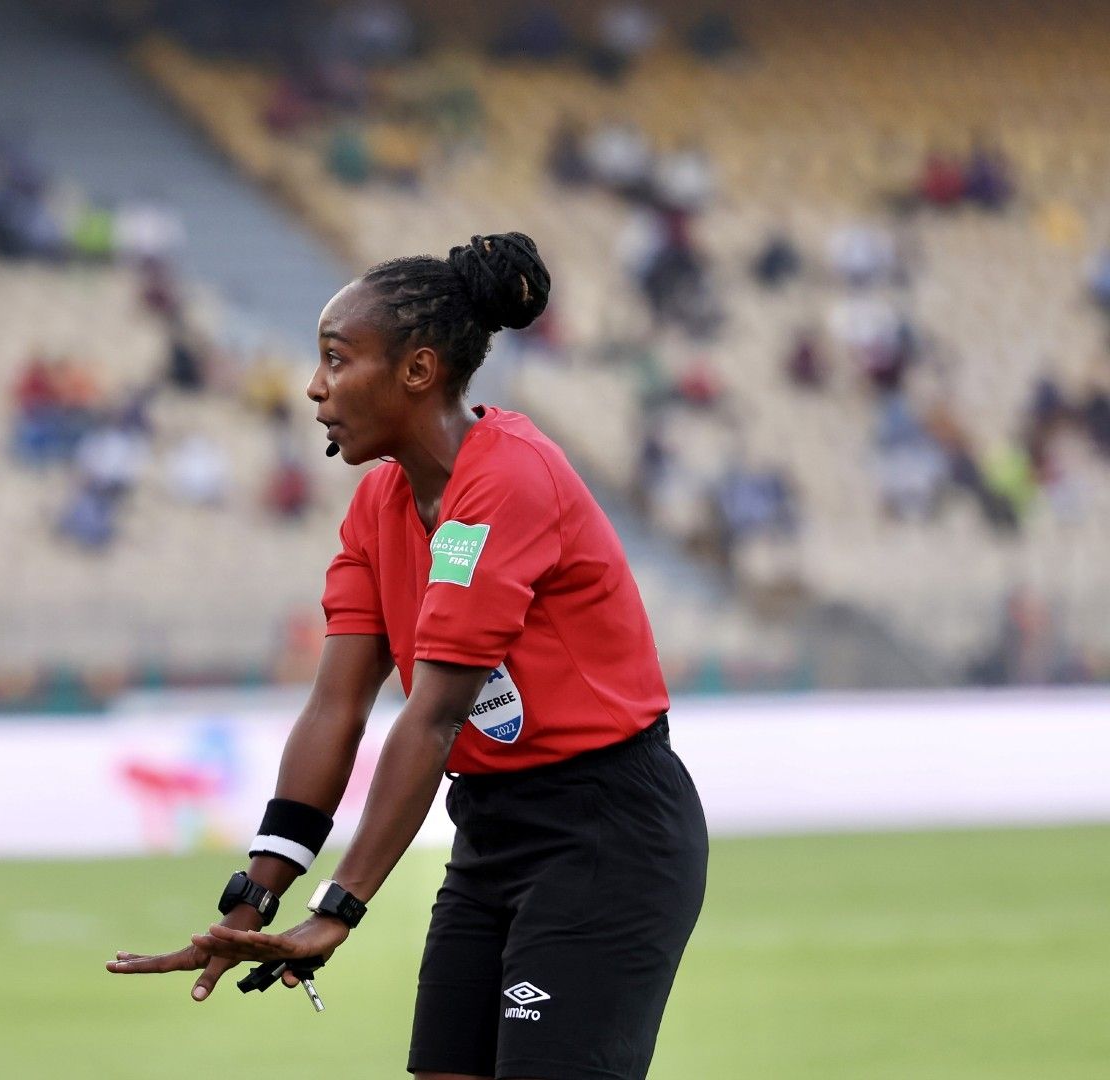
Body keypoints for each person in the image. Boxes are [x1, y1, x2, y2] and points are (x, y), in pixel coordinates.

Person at [109, 234, 708, 1080]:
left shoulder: (509, 480)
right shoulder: (378, 504)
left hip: (606, 832)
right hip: (491, 829)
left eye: (336, 359)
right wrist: (254, 895)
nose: (314, 386)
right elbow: (336, 708)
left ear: (419, 370)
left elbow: (433, 718)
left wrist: (337, 907)